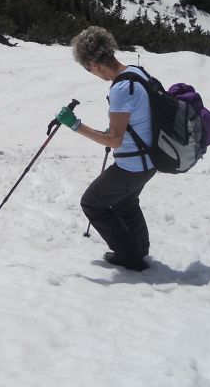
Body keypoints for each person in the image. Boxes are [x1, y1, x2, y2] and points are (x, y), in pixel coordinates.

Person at [55, 27, 156, 271]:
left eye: (87, 68)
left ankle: (130, 256)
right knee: (125, 203)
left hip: (132, 165)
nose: (90, 73)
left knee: (91, 203)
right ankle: (139, 249)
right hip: (150, 161)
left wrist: (75, 125)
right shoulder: (136, 72)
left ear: (93, 63)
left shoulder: (121, 88)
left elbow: (114, 140)